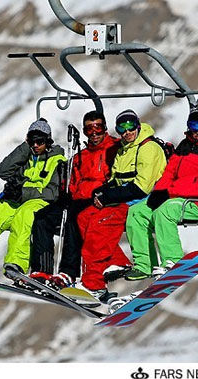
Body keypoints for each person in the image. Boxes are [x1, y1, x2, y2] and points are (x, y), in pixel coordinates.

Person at [124, 97, 198, 280]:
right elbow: (169, 172)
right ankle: (145, 265)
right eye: (194, 125)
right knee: (136, 212)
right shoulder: (184, 146)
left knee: (165, 211)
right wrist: (159, 191)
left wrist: (169, 192)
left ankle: (173, 260)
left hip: (197, 204)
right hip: (173, 198)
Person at [74, 109, 167, 301]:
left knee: (101, 224)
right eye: (121, 128)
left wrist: (109, 196)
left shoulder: (148, 148)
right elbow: (117, 179)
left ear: (138, 125)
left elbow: (142, 187)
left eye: (130, 126)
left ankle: (93, 283)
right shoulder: (124, 149)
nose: (127, 131)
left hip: (143, 200)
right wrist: (102, 192)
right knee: (84, 217)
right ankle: (114, 263)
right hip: (125, 198)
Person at [0, 119, 66, 280]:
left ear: (48, 141)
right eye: (33, 141)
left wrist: (22, 192)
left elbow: (52, 192)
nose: (36, 145)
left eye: (40, 141)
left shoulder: (57, 161)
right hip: (16, 200)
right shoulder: (26, 156)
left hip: (38, 201)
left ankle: (16, 264)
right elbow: (3, 171)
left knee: (23, 217)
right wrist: (25, 147)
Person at [28, 110, 120, 287]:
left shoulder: (115, 149)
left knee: (74, 218)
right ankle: (42, 271)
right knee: (42, 217)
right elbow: (73, 183)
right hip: (77, 199)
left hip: (99, 199)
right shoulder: (80, 156)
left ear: (105, 128)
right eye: (89, 129)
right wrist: (66, 193)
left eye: (98, 128)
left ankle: (68, 272)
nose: (94, 133)